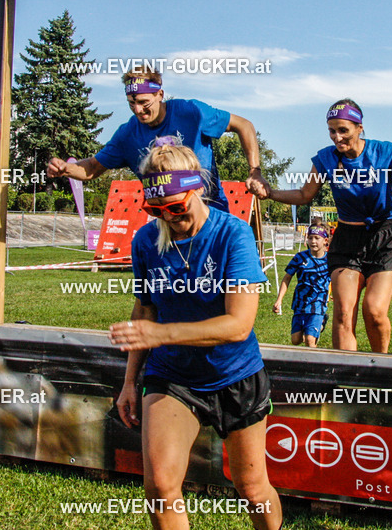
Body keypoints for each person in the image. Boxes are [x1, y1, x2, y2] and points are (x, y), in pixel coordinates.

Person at [108, 143, 281, 530]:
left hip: (237, 376)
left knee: (252, 488)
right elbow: (146, 310)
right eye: (157, 210)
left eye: (176, 207)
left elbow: (238, 325)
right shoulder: (145, 241)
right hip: (173, 377)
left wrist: (162, 332)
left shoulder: (232, 234)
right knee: (161, 486)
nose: (169, 218)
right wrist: (129, 382)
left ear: (196, 190)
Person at [255, 99, 392, 353]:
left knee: (374, 310)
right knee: (343, 314)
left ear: (359, 128)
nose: (337, 137)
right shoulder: (326, 159)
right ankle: (344, 382)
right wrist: (270, 192)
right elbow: (305, 195)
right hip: (348, 239)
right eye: (331, 131)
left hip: (386, 237)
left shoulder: (384, 152)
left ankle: (378, 370)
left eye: (343, 130)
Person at [46, 69, 265, 211]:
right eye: (131, 104)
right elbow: (92, 168)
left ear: (160, 94)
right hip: (167, 220)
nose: (138, 110)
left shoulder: (191, 112)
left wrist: (254, 170)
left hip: (210, 210)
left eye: (144, 102)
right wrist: (67, 169)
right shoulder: (127, 134)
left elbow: (244, 125)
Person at [272, 225, 331, 347]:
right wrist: (279, 300)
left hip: (318, 304)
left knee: (309, 340)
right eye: (310, 238)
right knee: (296, 340)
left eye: (316, 238)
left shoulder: (330, 260)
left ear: (325, 241)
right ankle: (319, 325)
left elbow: (336, 278)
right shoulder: (300, 257)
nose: (313, 241)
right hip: (300, 303)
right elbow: (287, 278)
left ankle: (313, 365)